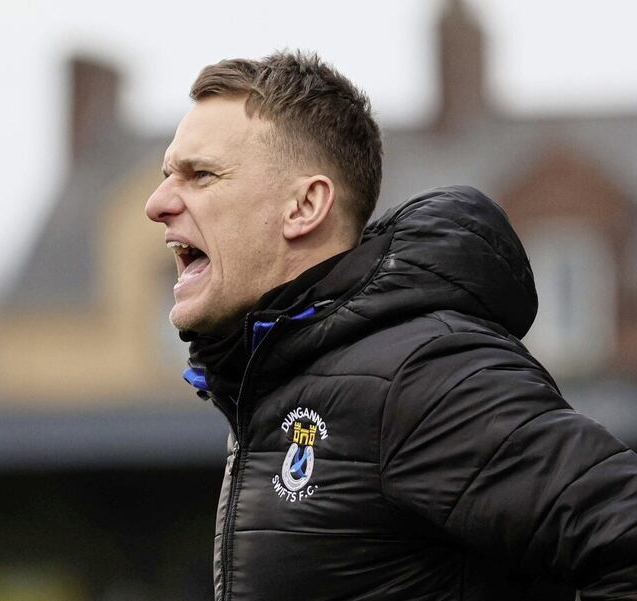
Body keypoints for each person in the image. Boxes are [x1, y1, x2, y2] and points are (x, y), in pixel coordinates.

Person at [144, 51, 637, 601]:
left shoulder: (420, 375)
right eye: (168, 176)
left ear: (305, 206)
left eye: (201, 174)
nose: (157, 203)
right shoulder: (279, 382)